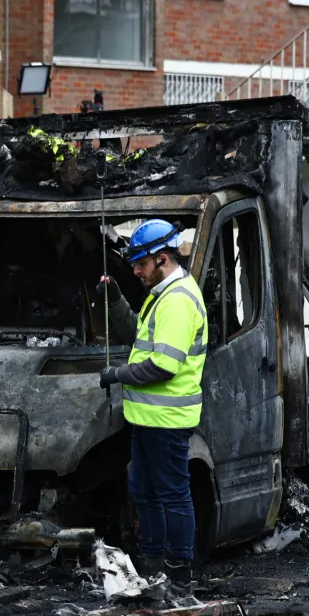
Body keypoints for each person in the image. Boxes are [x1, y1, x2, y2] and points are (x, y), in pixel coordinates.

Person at [97, 219, 208, 585]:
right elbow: (137, 337)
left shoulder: (177, 302)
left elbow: (163, 366)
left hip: (168, 420)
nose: (135, 270)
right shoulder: (162, 294)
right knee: (144, 491)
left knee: (173, 496)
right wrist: (114, 301)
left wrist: (117, 374)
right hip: (148, 418)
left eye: (141, 264)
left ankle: (178, 573)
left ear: (162, 259)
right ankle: (153, 564)